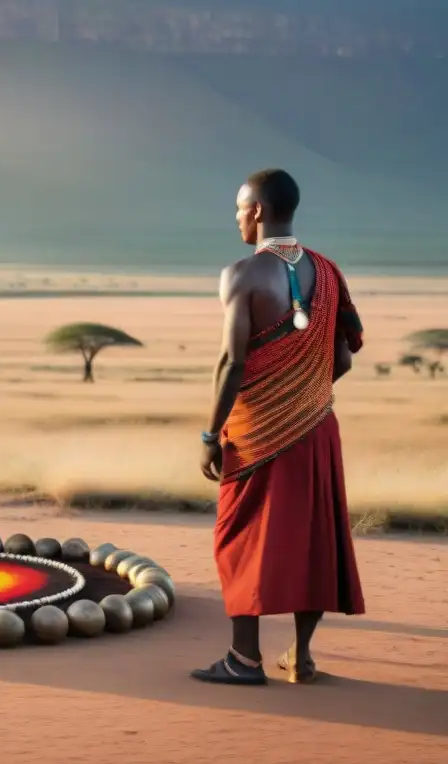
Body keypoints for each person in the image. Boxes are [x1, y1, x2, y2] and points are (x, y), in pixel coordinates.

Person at [192, 169, 366, 686]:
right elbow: (344, 359)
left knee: (238, 537)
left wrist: (210, 434)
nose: (237, 217)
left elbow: (232, 363)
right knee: (313, 539)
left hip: (254, 436)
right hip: (316, 428)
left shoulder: (241, 274)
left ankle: (244, 660)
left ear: (260, 211)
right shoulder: (329, 273)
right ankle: (302, 657)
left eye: (241, 208)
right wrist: (303, 391)